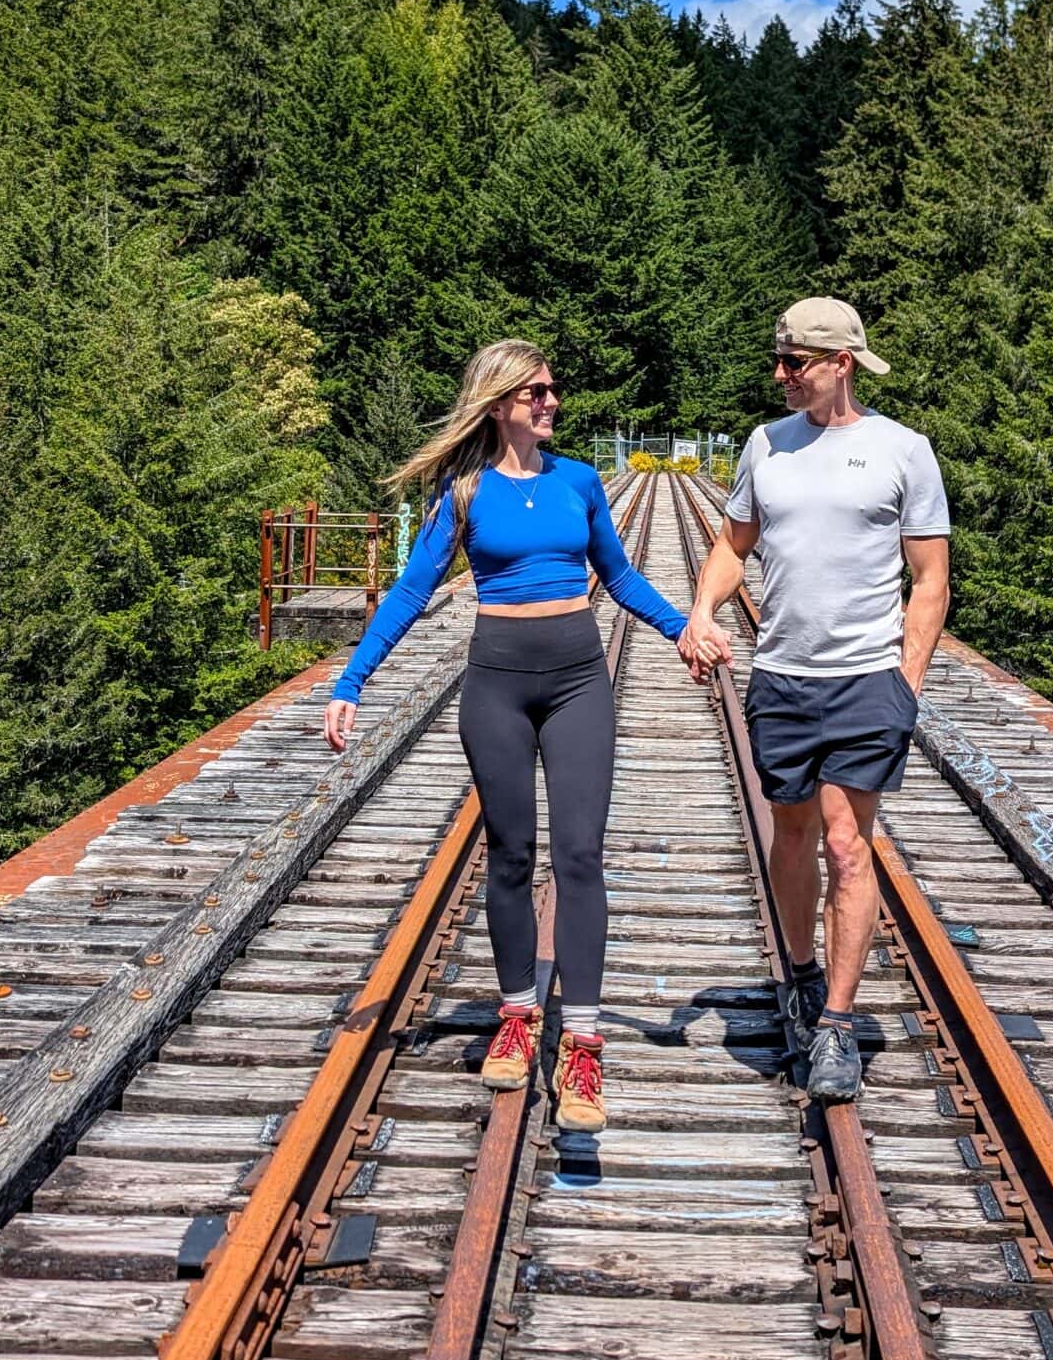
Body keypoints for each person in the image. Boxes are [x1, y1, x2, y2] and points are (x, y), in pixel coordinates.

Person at [324, 339, 698, 1133]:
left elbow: (619, 576)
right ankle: (519, 1016)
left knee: (580, 855)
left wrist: (682, 630)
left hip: (577, 683)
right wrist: (352, 681)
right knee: (511, 855)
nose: (551, 402)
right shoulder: (463, 493)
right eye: (535, 393)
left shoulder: (579, 481)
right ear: (498, 405)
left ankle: (584, 1046)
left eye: (552, 390)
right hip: (496, 686)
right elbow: (412, 591)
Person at [683, 298, 950, 1101]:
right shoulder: (766, 445)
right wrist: (701, 611)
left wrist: (905, 684)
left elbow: (930, 579)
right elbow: (734, 545)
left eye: (795, 361)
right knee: (793, 833)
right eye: (779, 359)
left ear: (842, 363)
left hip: (867, 681)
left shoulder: (903, 450)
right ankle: (800, 972)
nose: (781, 375)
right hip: (783, 675)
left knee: (846, 843)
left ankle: (836, 1022)